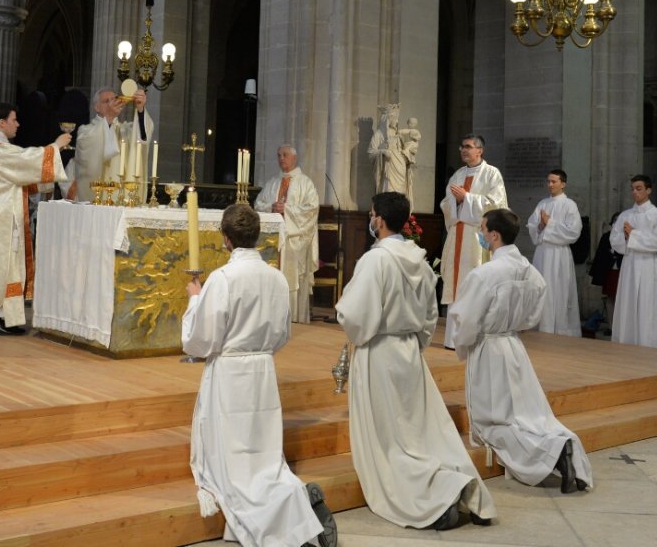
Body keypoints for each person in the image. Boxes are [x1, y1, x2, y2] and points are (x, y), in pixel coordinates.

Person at [335, 191, 496, 531]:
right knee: (414, 432)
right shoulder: (420, 261)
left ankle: (435, 496)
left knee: (390, 439)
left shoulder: (375, 261)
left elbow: (354, 314)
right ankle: (452, 484)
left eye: (371, 213)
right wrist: (414, 342)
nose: (370, 219)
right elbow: (429, 318)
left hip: (378, 353)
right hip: (409, 352)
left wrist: (349, 320)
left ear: (378, 219)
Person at [182, 204, 335, 547]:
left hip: (230, 375)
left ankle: (290, 509)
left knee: (232, 469)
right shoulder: (275, 277)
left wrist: (194, 300)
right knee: (263, 455)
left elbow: (199, 341)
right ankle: (294, 500)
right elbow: (282, 332)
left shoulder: (222, 279)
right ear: (258, 236)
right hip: (263, 370)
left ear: (225, 239)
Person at [448, 209, 593, 494]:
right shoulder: (530, 271)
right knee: (527, 414)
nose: (480, 232)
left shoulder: (484, 274)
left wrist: (463, 346)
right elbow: (533, 313)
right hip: (514, 346)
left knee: (494, 420)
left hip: (489, 347)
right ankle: (559, 443)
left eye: (482, 228)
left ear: (493, 235)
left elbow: (465, 319)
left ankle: (551, 452)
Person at [0, 102, 70, 335]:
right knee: (2, 266)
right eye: (14, 119)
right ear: (1, 123)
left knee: (7, 266)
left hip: (2, 217)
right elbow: (25, 160)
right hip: (0, 221)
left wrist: (51, 155)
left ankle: (3, 317)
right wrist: (54, 147)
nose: (18, 123)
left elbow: (19, 173)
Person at [439, 134, 507, 347]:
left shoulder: (491, 174)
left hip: (477, 239)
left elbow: (496, 204)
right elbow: (445, 204)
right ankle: (453, 339)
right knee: (456, 283)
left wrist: (466, 199)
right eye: (462, 146)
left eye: (468, 147)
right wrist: (457, 203)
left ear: (480, 150)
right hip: (457, 234)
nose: (463, 150)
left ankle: (473, 337)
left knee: (475, 282)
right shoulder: (458, 175)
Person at [253, 143, 320, 324]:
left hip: (294, 241)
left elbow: (312, 209)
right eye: (279, 155)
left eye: (285, 155)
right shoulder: (273, 182)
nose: (281, 158)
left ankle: (294, 316)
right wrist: (271, 207)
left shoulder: (305, 183)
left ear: (294, 158)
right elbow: (258, 205)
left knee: (292, 277)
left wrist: (287, 209)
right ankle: (272, 316)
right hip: (274, 241)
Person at [610, 175, 657, 349]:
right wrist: (627, 237)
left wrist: (633, 235)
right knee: (627, 303)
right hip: (629, 264)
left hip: (647, 264)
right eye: (632, 188)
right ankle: (625, 343)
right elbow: (614, 240)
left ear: (648, 190)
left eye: (639, 188)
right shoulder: (625, 215)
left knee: (646, 305)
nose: (634, 192)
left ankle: (647, 344)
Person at [526, 169, 583, 337]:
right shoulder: (542, 203)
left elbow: (573, 232)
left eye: (554, 182)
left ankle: (559, 329)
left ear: (563, 184)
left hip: (559, 254)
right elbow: (532, 226)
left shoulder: (569, 205)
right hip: (542, 253)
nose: (550, 185)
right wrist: (541, 226)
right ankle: (541, 325)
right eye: (548, 181)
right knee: (542, 287)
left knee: (558, 289)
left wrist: (549, 223)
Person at [69, 86, 152, 202]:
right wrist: (109, 116)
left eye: (114, 99)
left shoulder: (126, 130)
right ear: (96, 107)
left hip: (124, 196)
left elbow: (142, 137)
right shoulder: (86, 131)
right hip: (99, 197)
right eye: (106, 101)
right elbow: (89, 160)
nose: (111, 103)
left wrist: (140, 109)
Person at [367, 103, 408, 197]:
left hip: (399, 165)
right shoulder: (379, 134)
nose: (397, 121)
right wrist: (383, 151)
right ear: (388, 119)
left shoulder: (397, 133)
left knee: (400, 192)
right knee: (389, 189)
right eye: (395, 118)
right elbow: (371, 152)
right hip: (388, 167)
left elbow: (402, 149)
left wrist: (405, 154)